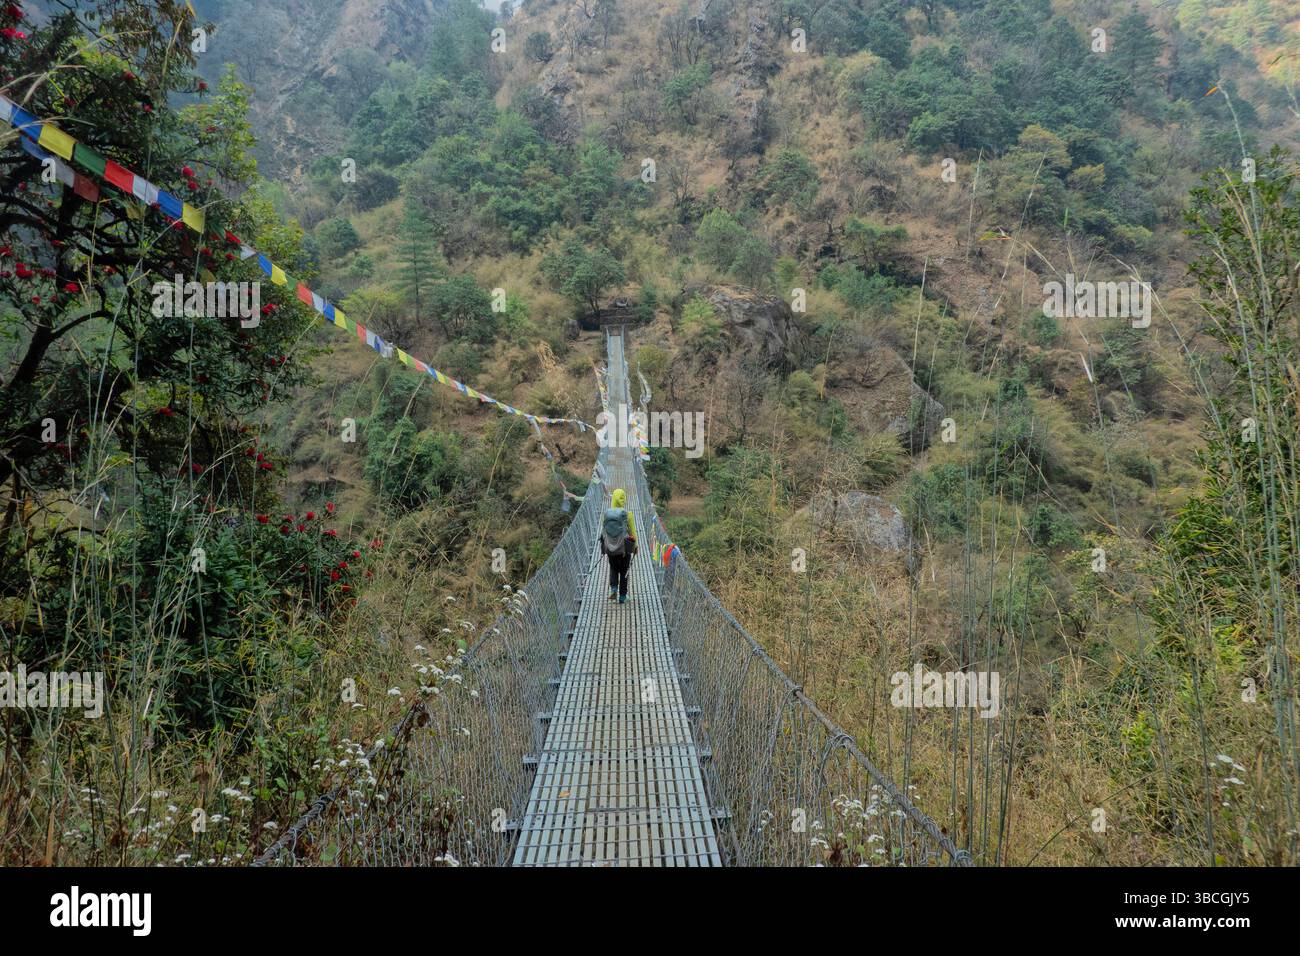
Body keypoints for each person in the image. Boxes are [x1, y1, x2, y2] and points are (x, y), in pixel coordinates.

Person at [600, 487, 637, 603]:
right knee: (624, 571)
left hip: (610, 546)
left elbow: (604, 530)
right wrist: (635, 546)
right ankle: (622, 596)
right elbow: (633, 532)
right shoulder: (628, 514)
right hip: (624, 548)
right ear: (624, 499)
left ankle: (613, 588)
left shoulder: (606, 513)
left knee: (614, 568)